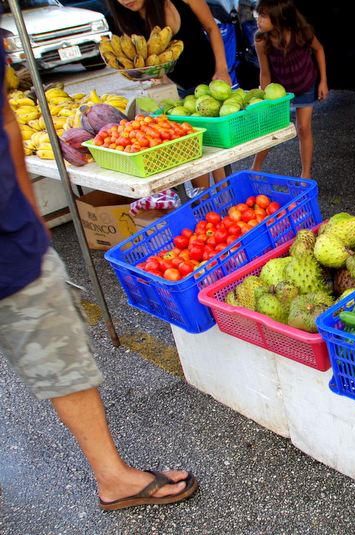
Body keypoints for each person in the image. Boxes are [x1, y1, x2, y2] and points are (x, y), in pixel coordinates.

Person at [0, 42, 198, 511]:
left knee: (60, 355)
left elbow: (6, 118)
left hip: (11, 242)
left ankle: (112, 477)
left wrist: (28, 212)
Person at [107, 0, 232, 192]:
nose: (125, 0)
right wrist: (153, 77)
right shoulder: (127, 20)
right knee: (193, 150)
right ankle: (205, 203)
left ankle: (226, 196)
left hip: (209, 81)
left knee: (217, 146)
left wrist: (222, 68)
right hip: (172, 91)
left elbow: (211, 27)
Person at [249, 0, 328, 180]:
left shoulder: (302, 34)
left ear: (280, 18)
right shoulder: (261, 39)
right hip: (280, 89)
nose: (258, 20)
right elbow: (265, 73)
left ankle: (305, 173)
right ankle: (255, 168)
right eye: (258, 15)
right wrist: (264, 98)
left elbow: (319, 49)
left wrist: (323, 81)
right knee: (270, 128)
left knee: (303, 128)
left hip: (305, 84)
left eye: (263, 16)